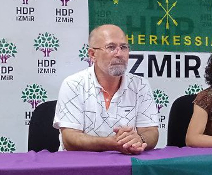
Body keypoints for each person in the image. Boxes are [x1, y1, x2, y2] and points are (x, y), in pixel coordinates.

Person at [53, 24, 158, 153]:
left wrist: (139, 139)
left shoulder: (140, 85)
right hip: (79, 163)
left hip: (125, 162)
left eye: (123, 47)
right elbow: (70, 139)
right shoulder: (73, 84)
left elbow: (151, 131)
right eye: (111, 47)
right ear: (92, 54)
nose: (119, 54)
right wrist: (112, 143)